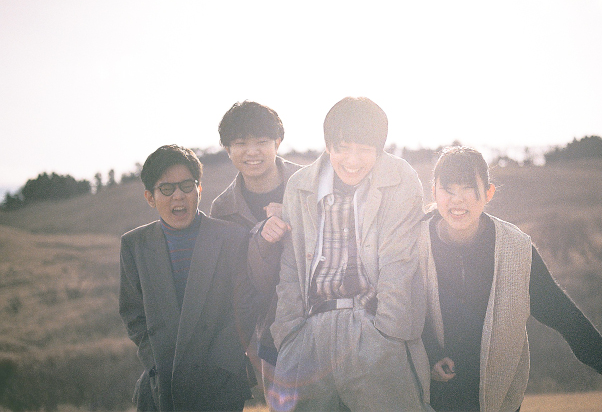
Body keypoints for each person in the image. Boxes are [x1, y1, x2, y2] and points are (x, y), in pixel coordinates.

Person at [421, 146, 602, 412]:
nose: (457, 200)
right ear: (434, 192)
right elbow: (401, 306)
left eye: (468, 189)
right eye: (448, 190)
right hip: (431, 390)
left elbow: (554, 304)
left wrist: (601, 357)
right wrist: (431, 355)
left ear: (488, 193)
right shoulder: (415, 242)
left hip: (497, 390)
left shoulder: (515, 247)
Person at [270, 96, 430, 411]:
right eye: (343, 148)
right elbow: (290, 267)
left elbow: (399, 262)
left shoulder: (400, 177)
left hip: (373, 328)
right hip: (309, 333)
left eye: (364, 150)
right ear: (328, 146)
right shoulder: (300, 185)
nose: (352, 161)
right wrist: (289, 333)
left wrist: (389, 332)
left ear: (379, 149)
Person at [119, 144, 257, 411]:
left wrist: (222, 364)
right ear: (150, 197)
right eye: (166, 189)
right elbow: (132, 314)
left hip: (220, 383)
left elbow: (245, 306)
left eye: (186, 185)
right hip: (162, 383)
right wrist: (157, 362)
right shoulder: (134, 245)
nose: (178, 196)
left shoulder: (232, 237)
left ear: (199, 189)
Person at [210, 100, 301, 406]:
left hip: (321, 319)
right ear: (227, 149)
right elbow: (234, 284)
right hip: (269, 337)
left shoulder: (308, 184)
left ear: (278, 142)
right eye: (240, 143)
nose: (252, 152)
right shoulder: (223, 210)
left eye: (261, 141)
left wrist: (291, 216)